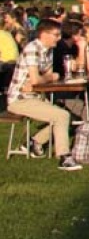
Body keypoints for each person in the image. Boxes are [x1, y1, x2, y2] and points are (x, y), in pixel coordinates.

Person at [6, 19, 83, 170]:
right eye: (56, 34)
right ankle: (64, 157)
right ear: (44, 34)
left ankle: (34, 142)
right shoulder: (32, 49)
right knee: (62, 116)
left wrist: (45, 79)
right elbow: (38, 79)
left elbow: (41, 80)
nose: (59, 38)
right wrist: (49, 77)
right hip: (19, 99)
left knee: (68, 117)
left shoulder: (48, 50)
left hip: (35, 96)